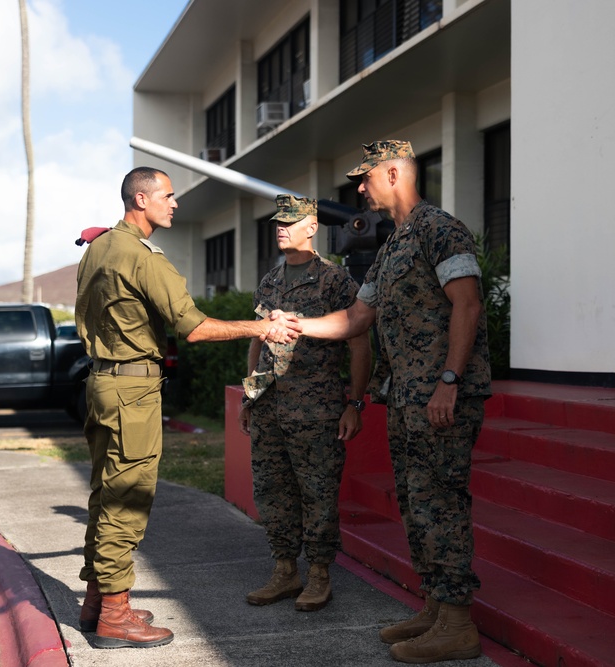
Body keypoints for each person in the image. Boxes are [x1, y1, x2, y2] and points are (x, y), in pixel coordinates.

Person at [283, 141, 491, 663]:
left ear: (394, 174)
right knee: (417, 504)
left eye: (365, 177)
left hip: (439, 397)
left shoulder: (441, 229)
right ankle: (436, 608)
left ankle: (459, 622)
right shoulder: (394, 245)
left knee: (441, 502)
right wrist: (293, 325)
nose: (359, 188)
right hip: (405, 399)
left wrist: (449, 380)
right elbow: (356, 318)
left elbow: (467, 304)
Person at [74, 166, 299, 650]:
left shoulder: (98, 247)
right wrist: (261, 328)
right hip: (132, 392)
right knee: (126, 501)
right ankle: (115, 615)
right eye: (168, 196)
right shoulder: (143, 256)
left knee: (104, 494)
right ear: (140, 199)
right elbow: (194, 328)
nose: (175, 204)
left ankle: (98, 601)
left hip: (102, 384)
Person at [238, 194, 371, 612]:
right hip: (271, 407)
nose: (280, 227)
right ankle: (284, 570)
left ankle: (318, 574)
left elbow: (359, 342)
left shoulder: (335, 281)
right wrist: (250, 393)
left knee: (317, 493)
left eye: (290, 221)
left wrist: (355, 402)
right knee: (273, 490)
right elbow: (259, 339)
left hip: (316, 409)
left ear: (312, 227)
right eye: (278, 221)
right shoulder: (270, 281)